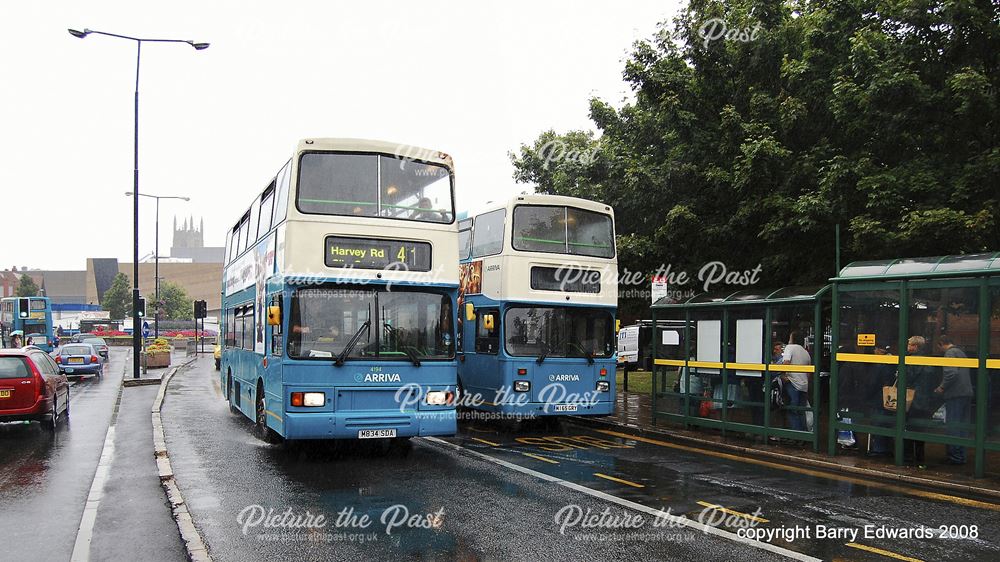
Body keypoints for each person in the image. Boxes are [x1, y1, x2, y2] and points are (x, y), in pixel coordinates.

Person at [903, 336, 943, 467]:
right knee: (920, 430)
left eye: (909, 345)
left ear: (915, 346)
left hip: (913, 399)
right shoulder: (928, 360)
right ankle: (920, 457)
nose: (907, 347)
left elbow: (908, 377)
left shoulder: (912, 360)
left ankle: (908, 457)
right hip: (925, 400)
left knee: (908, 428)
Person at [935, 336, 973, 465]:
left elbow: (951, 373)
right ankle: (961, 455)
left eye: (938, 347)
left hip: (955, 394)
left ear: (941, 344)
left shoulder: (950, 353)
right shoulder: (961, 352)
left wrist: (941, 387)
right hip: (966, 393)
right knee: (962, 425)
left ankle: (955, 456)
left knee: (954, 424)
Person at [781, 331, 811, 432]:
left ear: (792, 339)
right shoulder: (805, 352)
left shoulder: (790, 348)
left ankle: (795, 434)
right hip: (804, 385)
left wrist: (783, 375)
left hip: (792, 383)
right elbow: (808, 372)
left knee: (792, 410)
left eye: (790, 338)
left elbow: (786, 363)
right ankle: (804, 433)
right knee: (801, 411)